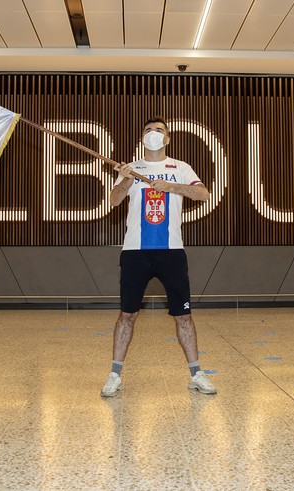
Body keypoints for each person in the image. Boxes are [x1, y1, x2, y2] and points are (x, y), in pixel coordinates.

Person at [100, 116, 216, 397]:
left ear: (167, 139)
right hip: (135, 252)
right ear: (142, 139)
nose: (154, 134)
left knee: (184, 316)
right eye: (149, 130)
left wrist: (171, 187)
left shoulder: (181, 167)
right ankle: (114, 375)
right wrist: (127, 180)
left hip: (172, 252)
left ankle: (196, 374)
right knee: (127, 314)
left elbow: (203, 194)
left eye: (159, 131)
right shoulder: (132, 168)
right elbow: (114, 200)